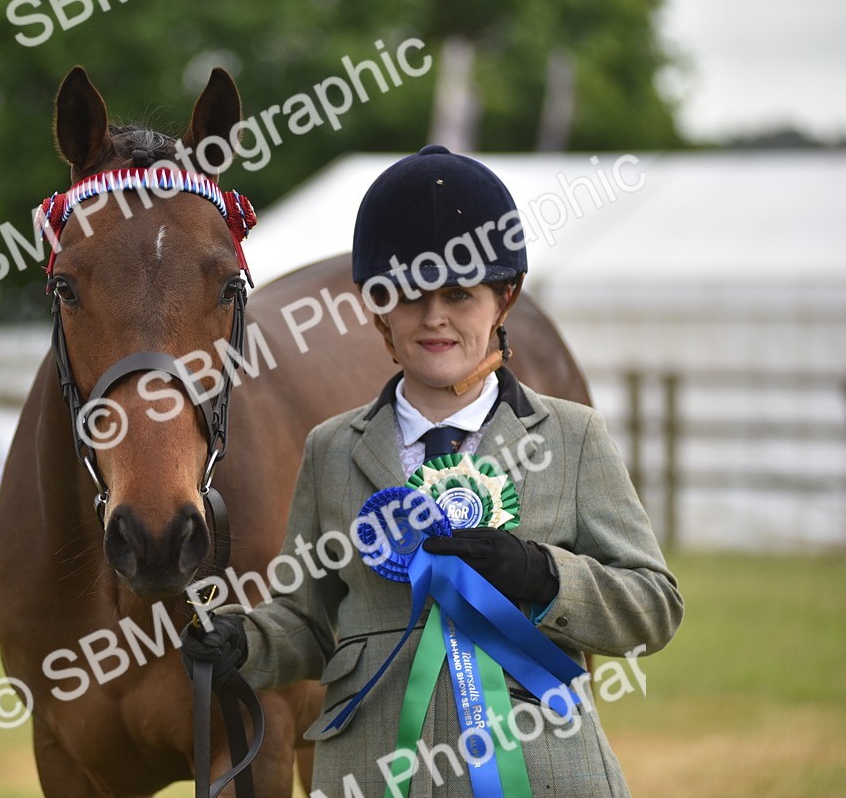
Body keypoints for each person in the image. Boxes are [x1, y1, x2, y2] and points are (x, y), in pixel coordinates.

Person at [182, 145, 683, 797]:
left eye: (458, 293)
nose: (435, 317)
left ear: (504, 298)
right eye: (411, 296)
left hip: (542, 773)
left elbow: (654, 605)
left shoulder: (571, 435)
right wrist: (245, 643)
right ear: (377, 307)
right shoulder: (332, 450)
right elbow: (309, 624)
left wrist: (544, 574)